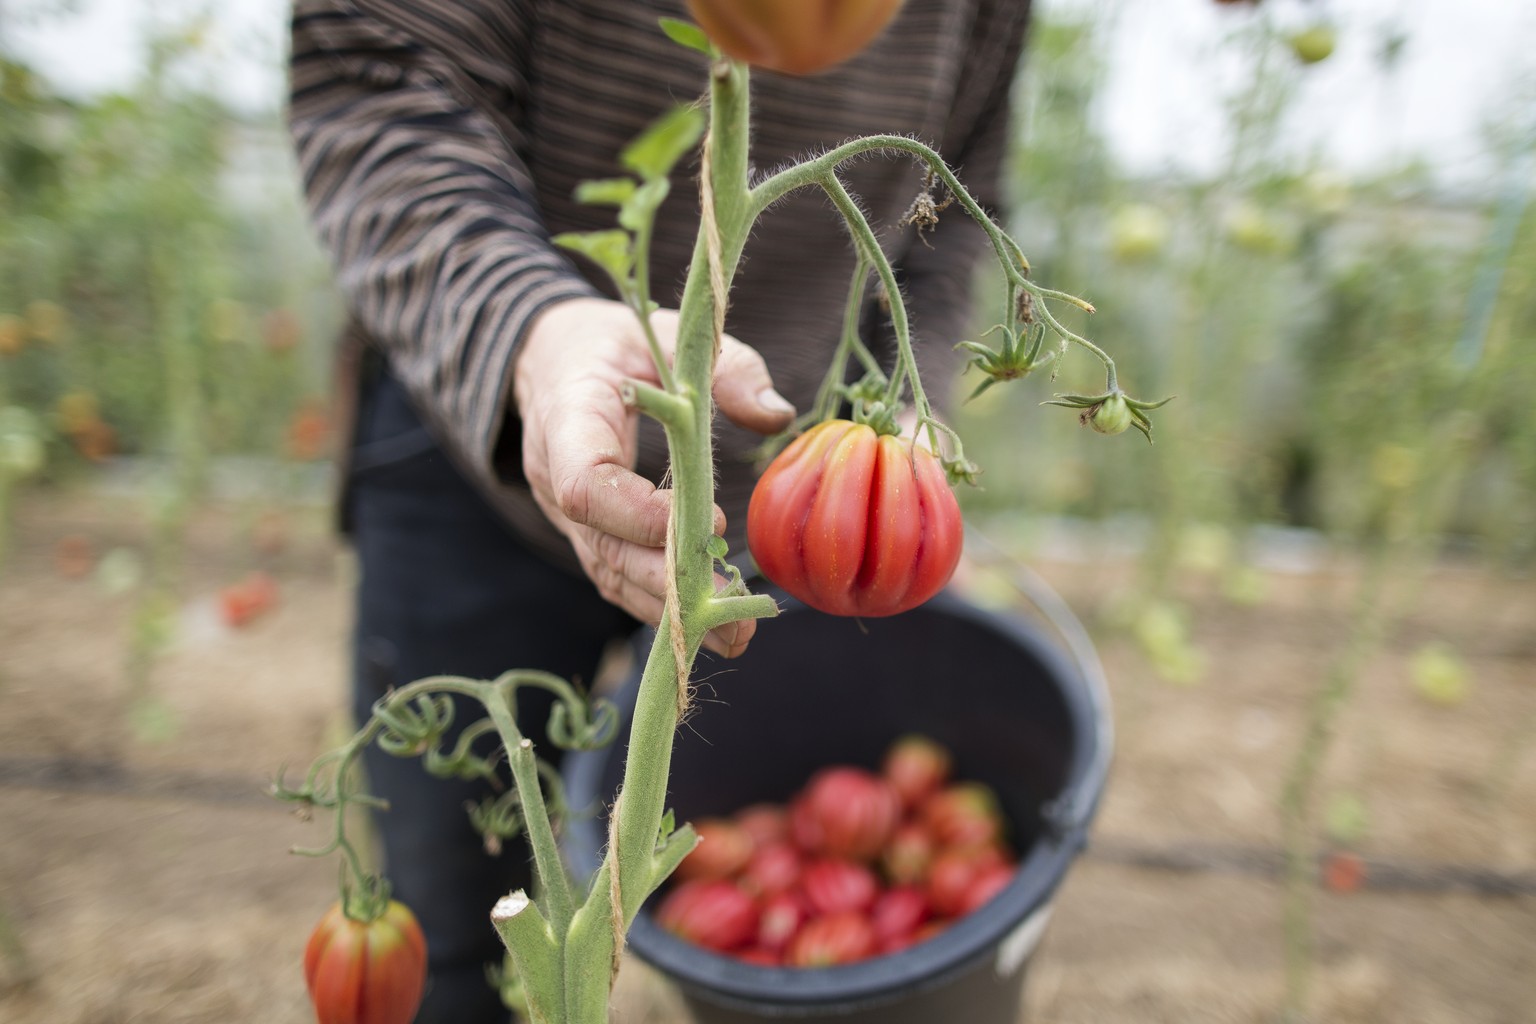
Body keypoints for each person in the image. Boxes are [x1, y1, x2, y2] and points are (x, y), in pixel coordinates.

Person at [288, 0, 1032, 1019]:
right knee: (454, 931)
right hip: (480, 415)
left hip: (794, 491)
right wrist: (529, 327)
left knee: (696, 843)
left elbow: (950, 201)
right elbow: (376, 84)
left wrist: (912, 404)